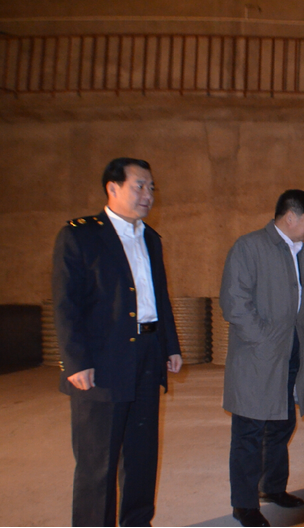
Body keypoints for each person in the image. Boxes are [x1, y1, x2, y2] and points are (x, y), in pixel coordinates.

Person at [51, 157, 183, 527]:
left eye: (151, 187)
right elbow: (65, 304)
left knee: (142, 453)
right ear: (112, 188)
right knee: (99, 460)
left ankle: (138, 521)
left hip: (147, 355)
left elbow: (159, 296)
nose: (148, 194)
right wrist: (76, 362)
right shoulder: (80, 235)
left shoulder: (150, 238)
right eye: (139, 186)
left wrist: (170, 345)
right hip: (103, 362)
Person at [220, 190, 304, 527]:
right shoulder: (249, 247)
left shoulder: (301, 252)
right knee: (249, 431)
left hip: (291, 353)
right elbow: (234, 303)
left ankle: (273, 487)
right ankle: (244, 504)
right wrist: (265, 340)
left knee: (281, 424)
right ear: (290, 216)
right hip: (257, 358)